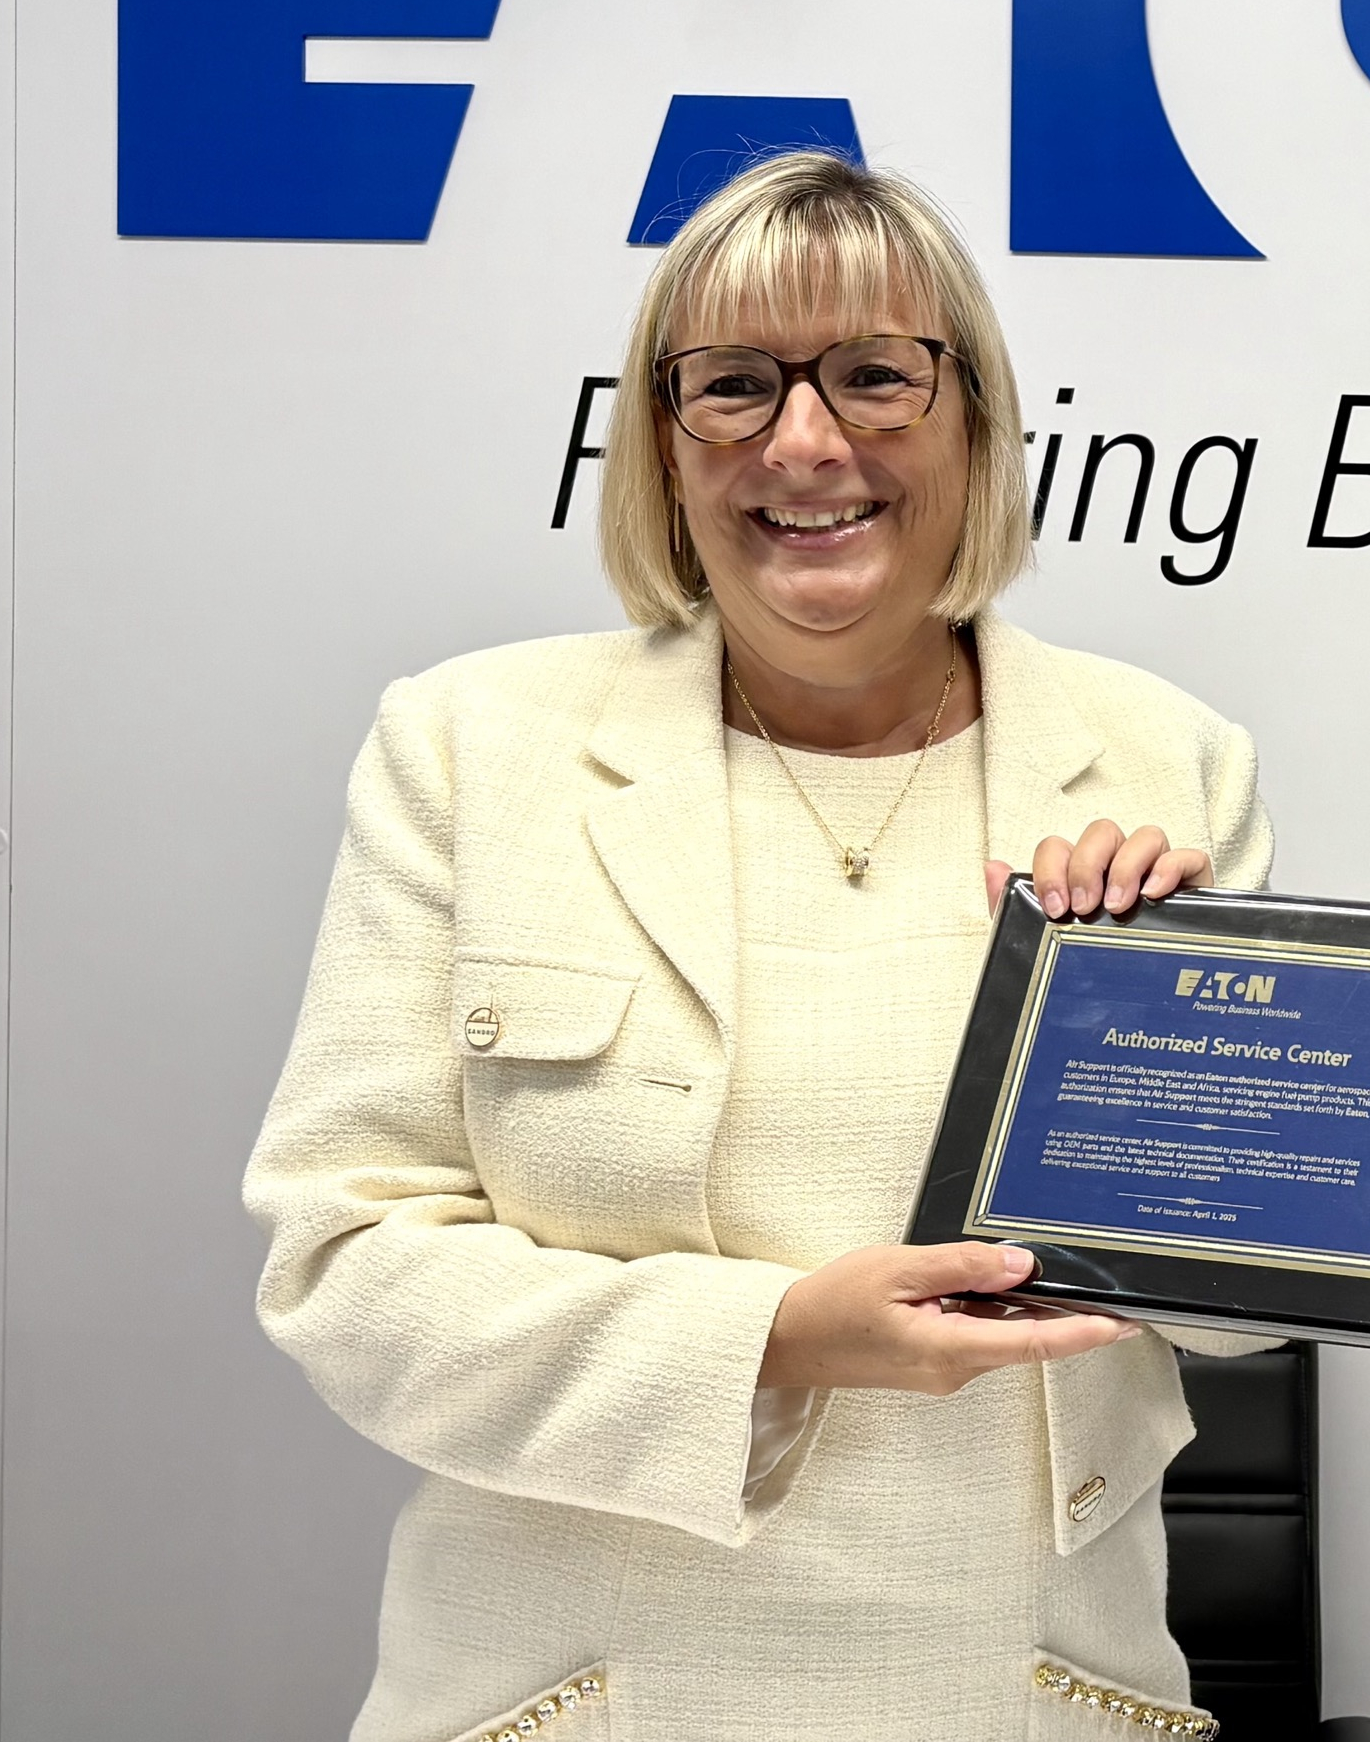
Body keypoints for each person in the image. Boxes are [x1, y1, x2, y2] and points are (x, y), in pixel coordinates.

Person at [246, 152, 1264, 1742]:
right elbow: (346, 1274)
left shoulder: (1163, 765)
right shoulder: (468, 749)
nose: (805, 441)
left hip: (1023, 1698)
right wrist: (774, 1342)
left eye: (876, 375)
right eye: (734, 384)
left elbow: (1246, 1307)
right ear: (664, 444)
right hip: (571, 1702)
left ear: (975, 419)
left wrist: (1172, 1026)